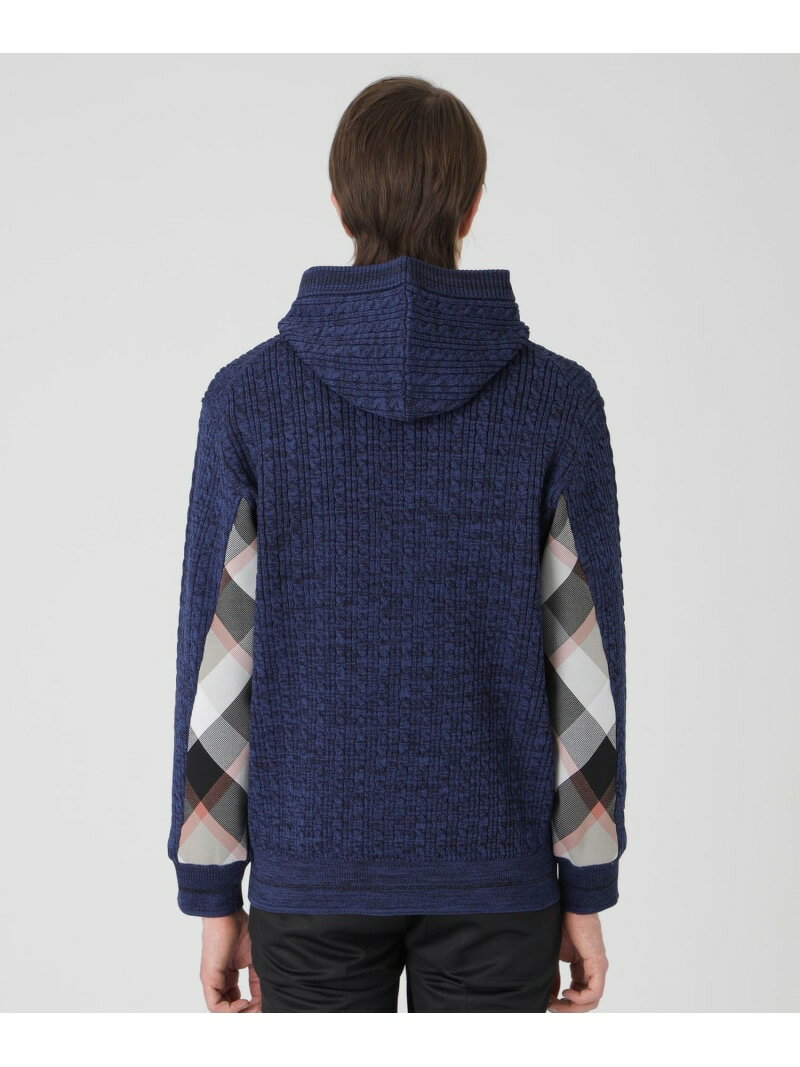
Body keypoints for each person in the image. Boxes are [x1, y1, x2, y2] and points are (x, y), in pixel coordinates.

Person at [167, 75, 627, 1014]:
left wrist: (214, 894)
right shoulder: (558, 402)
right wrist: (585, 888)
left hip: (310, 874)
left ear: (340, 203)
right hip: (499, 878)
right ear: (471, 207)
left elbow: (218, 661)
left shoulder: (247, 400)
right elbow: (585, 669)